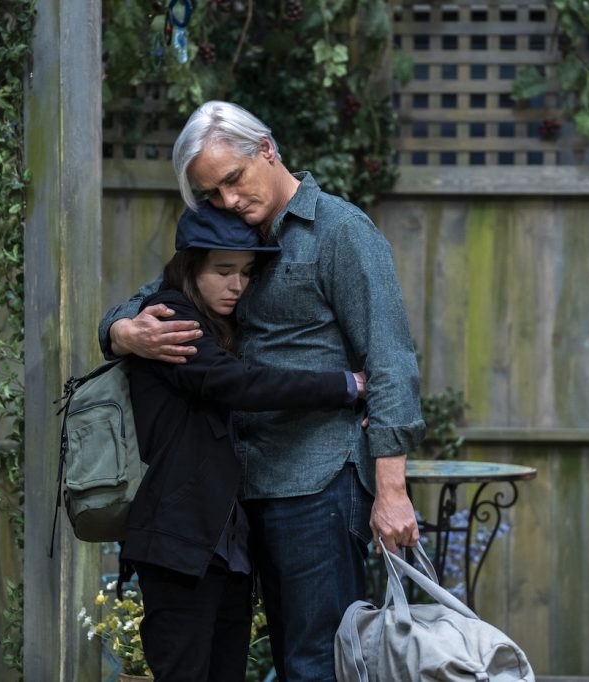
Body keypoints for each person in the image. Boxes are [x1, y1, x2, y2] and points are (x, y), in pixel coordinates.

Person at [100, 100, 425, 681]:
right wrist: (122, 331)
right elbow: (154, 298)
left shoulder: (340, 232)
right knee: (258, 664)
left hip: (316, 487)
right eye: (211, 195)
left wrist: (391, 488)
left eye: (233, 180)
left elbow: (390, 358)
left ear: (267, 150)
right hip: (238, 494)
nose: (227, 201)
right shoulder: (227, 237)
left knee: (314, 664)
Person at [124, 201, 367, 682]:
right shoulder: (170, 316)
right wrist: (346, 386)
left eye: (247, 272)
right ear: (191, 266)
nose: (237, 285)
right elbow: (241, 384)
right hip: (181, 539)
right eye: (223, 271)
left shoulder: (224, 325)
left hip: (227, 546)